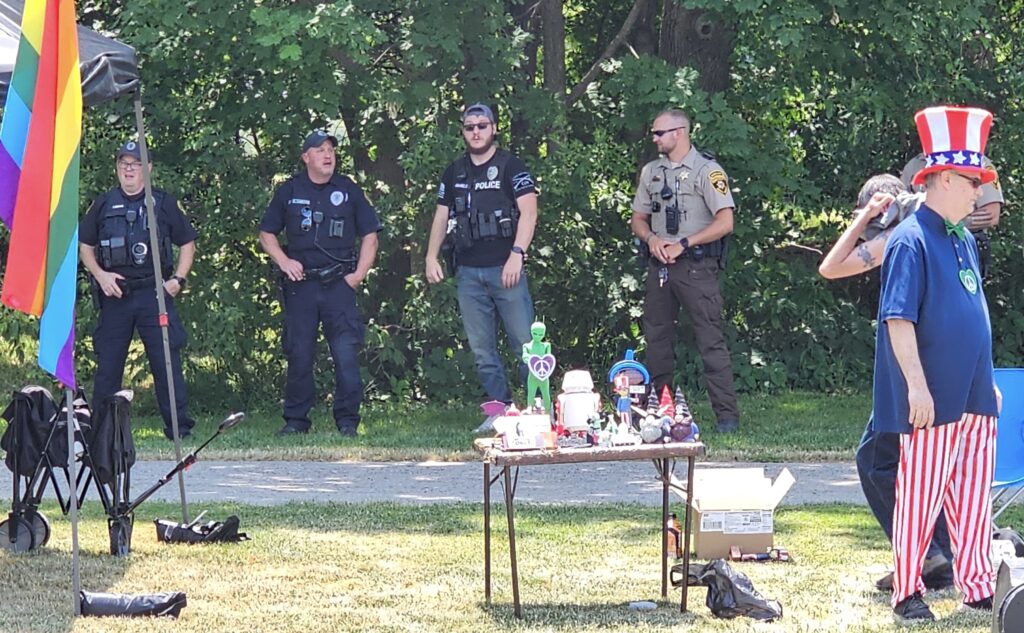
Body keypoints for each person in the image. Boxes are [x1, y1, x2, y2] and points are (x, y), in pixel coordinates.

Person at [874, 106, 1001, 623]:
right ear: (944, 178)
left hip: (974, 394)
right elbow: (898, 319)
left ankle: (977, 584)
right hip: (933, 396)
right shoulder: (910, 239)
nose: (979, 193)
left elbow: (972, 311)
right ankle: (907, 590)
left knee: (972, 496)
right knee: (920, 496)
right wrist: (917, 387)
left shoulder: (963, 238)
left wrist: (986, 381)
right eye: (973, 182)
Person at [818, 174, 955, 592]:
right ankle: (940, 556)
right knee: (928, 468)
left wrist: (863, 218)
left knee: (875, 461)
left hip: (912, 373)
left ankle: (924, 554)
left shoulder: (900, 238)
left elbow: (830, 267)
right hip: (941, 367)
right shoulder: (940, 234)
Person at [259, 130, 381, 437]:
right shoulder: (290, 190)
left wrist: (358, 275)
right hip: (301, 286)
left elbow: (370, 235)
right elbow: (266, 233)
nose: (327, 155)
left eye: (330, 150)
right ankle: (296, 421)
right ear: (306, 157)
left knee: (346, 354)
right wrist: (284, 261)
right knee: (299, 353)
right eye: (320, 150)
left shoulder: (348, 189)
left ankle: (348, 421)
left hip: (339, 284)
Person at [424, 103, 538, 432]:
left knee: (526, 344)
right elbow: (441, 216)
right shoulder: (454, 172)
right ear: (463, 131)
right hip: (468, 272)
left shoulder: (511, 166)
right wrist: (431, 256)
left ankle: (536, 408)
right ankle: (499, 409)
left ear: (494, 128)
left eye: (482, 125)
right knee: (481, 348)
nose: (476, 132)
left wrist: (517, 253)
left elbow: (529, 212)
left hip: (506, 268)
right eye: (469, 126)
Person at [630, 108, 739, 433]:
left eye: (659, 133)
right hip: (660, 267)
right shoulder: (652, 172)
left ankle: (727, 417)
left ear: (679, 132)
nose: (654, 138)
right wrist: (651, 239)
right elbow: (638, 219)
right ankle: (659, 414)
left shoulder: (707, 171)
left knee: (710, 341)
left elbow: (726, 222)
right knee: (657, 340)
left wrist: (686, 243)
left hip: (697, 267)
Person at [79, 140, 197, 440]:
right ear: (117, 168)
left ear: (148, 168)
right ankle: (102, 433)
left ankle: (179, 429)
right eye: (124, 163)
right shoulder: (103, 204)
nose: (129, 169)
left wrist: (178, 279)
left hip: (154, 295)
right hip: (115, 294)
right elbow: (85, 245)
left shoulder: (163, 203)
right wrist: (101, 275)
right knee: (108, 366)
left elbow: (187, 242)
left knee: (166, 362)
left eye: (135, 163)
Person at [900, 153, 1003, 278]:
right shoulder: (914, 164)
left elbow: (992, 214)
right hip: (923, 242)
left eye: (976, 183)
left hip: (965, 242)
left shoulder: (977, 161)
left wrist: (952, 222)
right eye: (974, 183)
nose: (979, 192)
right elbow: (902, 207)